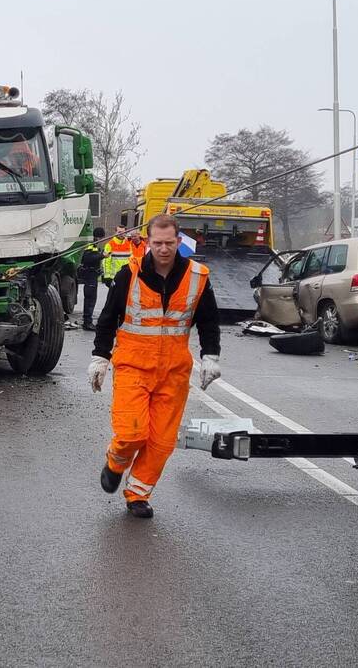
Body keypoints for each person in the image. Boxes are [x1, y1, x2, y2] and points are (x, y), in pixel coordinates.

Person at [88, 214, 222, 518]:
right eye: (158, 243)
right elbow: (108, 319)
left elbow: (209, 321)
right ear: (148, 242)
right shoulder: (129, 275)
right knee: (131, 433)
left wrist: (211, 355)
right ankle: (115, 462)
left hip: (173, 373)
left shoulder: (197, 277)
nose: (163, 249)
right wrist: (100, 357)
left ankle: (137, 494)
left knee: (161, 442)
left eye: (169, 243)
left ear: (178, 242)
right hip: (133, 367)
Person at [79, 227, 105, 331]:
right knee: (90, 299)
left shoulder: (94, 245)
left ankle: (88, 321)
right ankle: (87, 322)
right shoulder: (90, 245)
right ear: (99, 236)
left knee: (91, 299)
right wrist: (101, 256)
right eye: (102, 237)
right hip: (90, 275)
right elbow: (87, 258)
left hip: (93, 275)